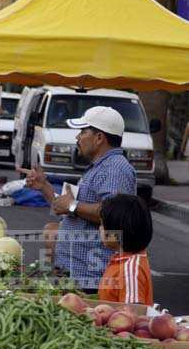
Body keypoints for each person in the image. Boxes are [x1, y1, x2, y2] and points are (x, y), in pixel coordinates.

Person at [22, 106, 137, 292]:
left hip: (91, 275)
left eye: (83, 132)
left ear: (99, 138)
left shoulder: (115, 168)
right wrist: (45, 187)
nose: (77, 138)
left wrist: (73, 205)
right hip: (75, 271)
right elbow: (71, 209)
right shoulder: (100, 166)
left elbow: (114, 214)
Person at [98, 194, 153, 305]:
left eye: (103, 225)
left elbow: (131, 314)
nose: (99, 229)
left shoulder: (130, 269)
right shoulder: (122, 259)